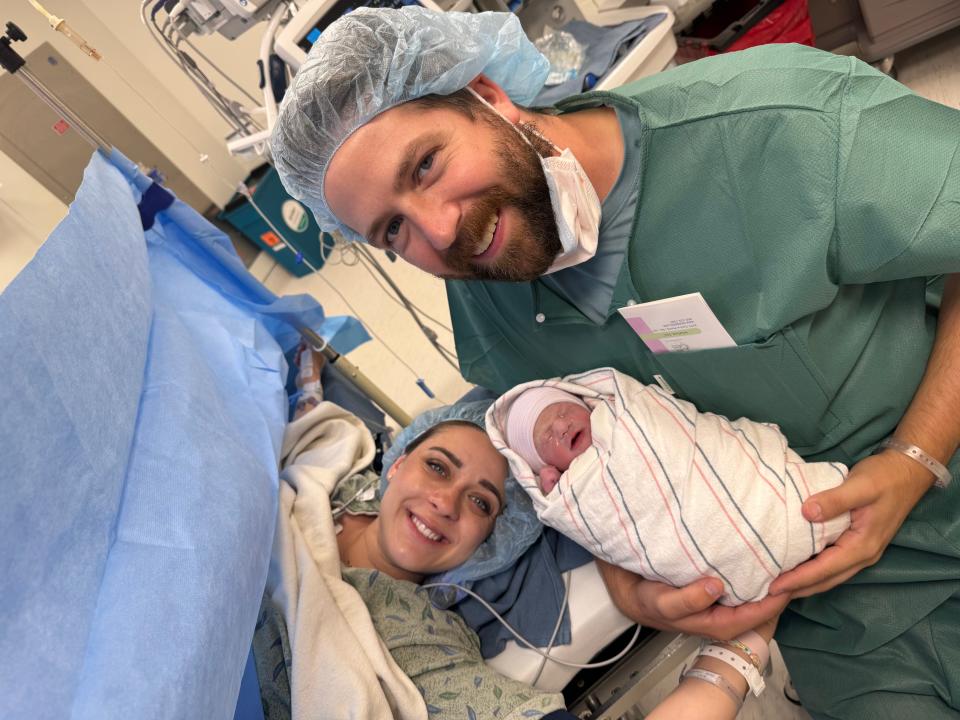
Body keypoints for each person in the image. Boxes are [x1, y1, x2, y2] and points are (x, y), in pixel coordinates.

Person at [271, 9, 960, 717]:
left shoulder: (785, 127)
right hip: (839, 616)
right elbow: (575, 476)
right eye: (393, 229)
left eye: (426, 164)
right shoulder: (492, 310)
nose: (441, 229)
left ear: (486, 95)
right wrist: (626, 582)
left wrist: (917, 458)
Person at [261, 356, 783, 720]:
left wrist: (743, 647)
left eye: (481, 503)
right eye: (438, 467)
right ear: (395, 465)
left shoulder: (414, 639)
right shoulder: (324, 473)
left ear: (483, 547)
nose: (446, 503)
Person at [488, 369, 849, 605]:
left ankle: (783, 512)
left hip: (718, 480)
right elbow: (580, 513)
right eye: (546, 435)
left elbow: (659, 427)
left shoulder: (616, 415)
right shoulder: (568, 486)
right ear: (544, 468)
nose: (562, 425)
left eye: (563, 410)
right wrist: (555, 488)